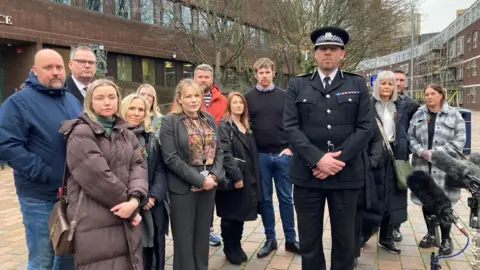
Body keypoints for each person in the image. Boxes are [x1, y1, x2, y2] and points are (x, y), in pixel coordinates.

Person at [283, 26, 373, 270]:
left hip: (346, 175)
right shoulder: (297, 85)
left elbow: (366, 128)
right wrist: (318, 159)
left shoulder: (357, 84)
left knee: (345, 240)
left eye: (333, 49)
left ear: (342, 54)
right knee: (309, 240)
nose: (328, 54)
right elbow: (290, 127)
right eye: (323, 49)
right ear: (315, 54)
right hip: (307, 175)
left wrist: (335, 162)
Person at [0, 49, 80, 270]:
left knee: (66, 256)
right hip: (39, 197)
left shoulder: (71, 100)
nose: (55, 72)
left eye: (58, 67)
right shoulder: (18, 103)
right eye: (48, 68)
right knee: (42, 259)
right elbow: (6, 145)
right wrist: (43, 172)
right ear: (35, 71)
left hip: (72, 194)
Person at [60, 79, 148, 269]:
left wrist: (135, 199)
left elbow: (138, 167)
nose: (107, 102)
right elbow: (96, 176)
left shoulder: (127, 133)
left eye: (111, 97)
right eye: (100, 98)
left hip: (126, 210)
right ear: (90, 102)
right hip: (94, 215)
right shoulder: (81, 132)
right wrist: (131, 208)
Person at [160, 78, 223, 270]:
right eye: (188, 96)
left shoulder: (208, 118)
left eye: (197, 95)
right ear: (179, 99)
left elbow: (219, 151)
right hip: (184, 189)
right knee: (184, 240)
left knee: (202, 236)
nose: (194, 100)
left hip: (208, 188)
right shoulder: (169, 121)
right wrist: (199, 180)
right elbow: (170, 158)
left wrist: (213, 176)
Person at [244, 57, 300, 258]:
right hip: (261, 156)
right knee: (266, 200)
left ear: (273, 73)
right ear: (255, 74)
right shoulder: (248, 98)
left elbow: (296, 122)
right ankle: (270, 239)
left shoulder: (285, 96)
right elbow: (245, 127)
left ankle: (291, 239)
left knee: (286, 198)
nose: (264, 76)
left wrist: (292, 148)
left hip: (283, 155)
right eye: (261, 72)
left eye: (268, 72)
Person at [408, 84, 466, 255]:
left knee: (444, 202)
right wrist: (420, 151)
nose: (429, 97)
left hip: (445, 166)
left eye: (432, 94)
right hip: (423, 163)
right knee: (427, 200)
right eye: (426, 94)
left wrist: (438, 153)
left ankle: (447, 239)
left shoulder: (454, 114)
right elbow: (410, 136)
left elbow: (460, 140)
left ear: (441, 95)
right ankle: (431, 234)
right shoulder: (419, 113)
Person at [359, 71, 409, 254]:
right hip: (375, 156)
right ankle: (364, 234)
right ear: (377, 85)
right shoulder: (368, 105)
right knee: (373, 196)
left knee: (393, 197)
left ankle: (387, 237)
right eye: (383, 83)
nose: (387, 87)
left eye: (390, 84)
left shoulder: (403, 105)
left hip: (396, 157)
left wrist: (406, 147)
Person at [121, 94, 169, 270]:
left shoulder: (151, 138)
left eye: (141, 109)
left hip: (152, 204)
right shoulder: (116, 137)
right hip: (129, 203)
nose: (136, 113)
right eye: (132, 108)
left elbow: (160, 169)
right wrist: (138, 198)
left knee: (154, 251)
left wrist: (154, 195)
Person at [216, 92, 261, 265]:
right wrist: (236, 175)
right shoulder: (225, 126)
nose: (238, 105)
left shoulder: (245, 125)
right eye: (234, 103)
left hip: (248, 177)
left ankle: (237, 245)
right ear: (229, 105)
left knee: (241, 213)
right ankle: (229, 247)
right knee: (230, 214)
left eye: (241, 103)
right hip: (233, 178)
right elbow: (225, 153)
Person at [193, 63, 227, 246]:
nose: (203, 80)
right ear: (194, 78)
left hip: (217, 153)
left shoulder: (222, 100)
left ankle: (210, 230)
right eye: (200, 77)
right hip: (193, 154)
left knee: (212, 194)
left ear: (212, 79)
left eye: (206, 77)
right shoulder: (184, 97)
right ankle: (197, 230)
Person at [391, 69, 419, 242]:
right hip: (379, 154)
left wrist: (407, 148)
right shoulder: (375, 101)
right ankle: (375, 224)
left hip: (400, 154)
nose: (399, 83)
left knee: (399, 188)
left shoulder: (411, 104)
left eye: (402, 80)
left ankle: (395, 226)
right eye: (395, 80)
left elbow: (414, 129)